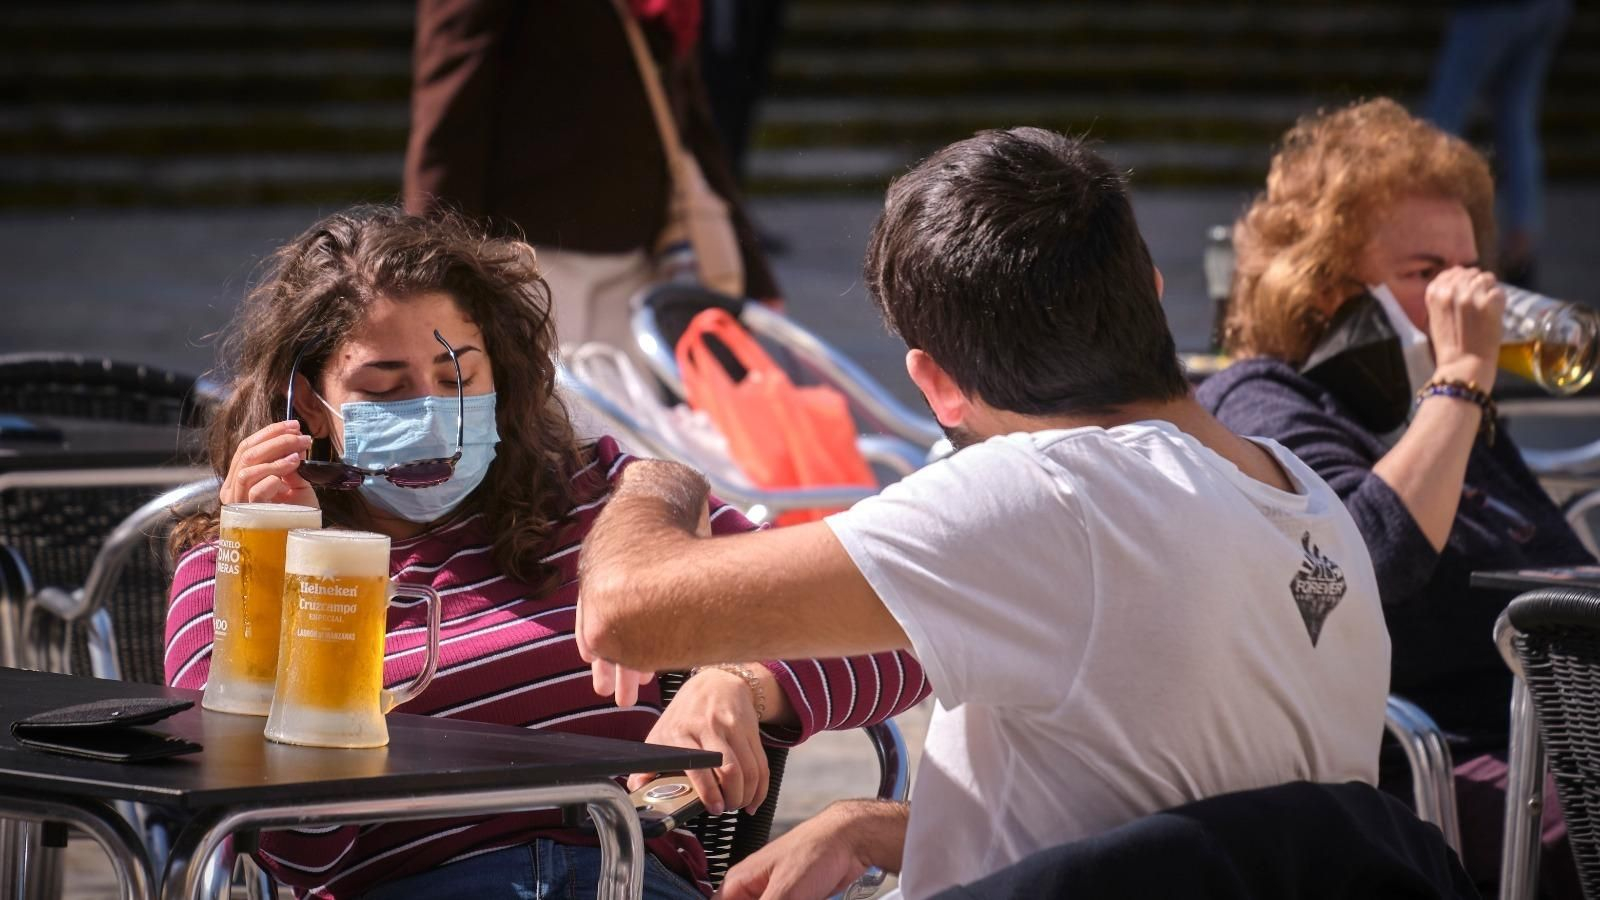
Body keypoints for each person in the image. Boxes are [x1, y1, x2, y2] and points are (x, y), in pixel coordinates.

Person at [574, 128, 1393, 899]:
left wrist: (659, 476)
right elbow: (1191, 834)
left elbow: (625, 612)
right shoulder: (1304, 497)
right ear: (1151, 291)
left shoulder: (1053, 493)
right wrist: (868, 826)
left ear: (935, 385)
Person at [161, 206, 925, 899]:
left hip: (624, 876)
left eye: (458, 374)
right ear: (310, 403)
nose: (433, 410)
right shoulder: (233, 566)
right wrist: (283, 574)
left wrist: (746, 682)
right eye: (385, 388)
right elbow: (288, 846)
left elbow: (902, 631)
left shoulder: (602, 503)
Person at [1199, 97, 1591, 897]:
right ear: (1323, 289)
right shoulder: (1266, 402)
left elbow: (1562, 569)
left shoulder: (1438, 407)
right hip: (1435, 765)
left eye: (1472, 272)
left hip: (1555, 733)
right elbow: (1363, 563)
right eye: (1428, 274)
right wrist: (1463, 381)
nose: (1470, 300)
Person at [404, 0, 781, 355]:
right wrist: (432, 274)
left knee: (632, 406)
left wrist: (753, 270)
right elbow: (448, 114)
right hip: (524, 261)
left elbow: (687, 115)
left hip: (637, 261)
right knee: (534, 402)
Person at [1423, 0, 1574, 287]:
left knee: (1441, 121)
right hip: (1548, 8)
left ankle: (1424, 239)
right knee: (1516, 117)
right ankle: (1521, 244)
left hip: (1492, 8)